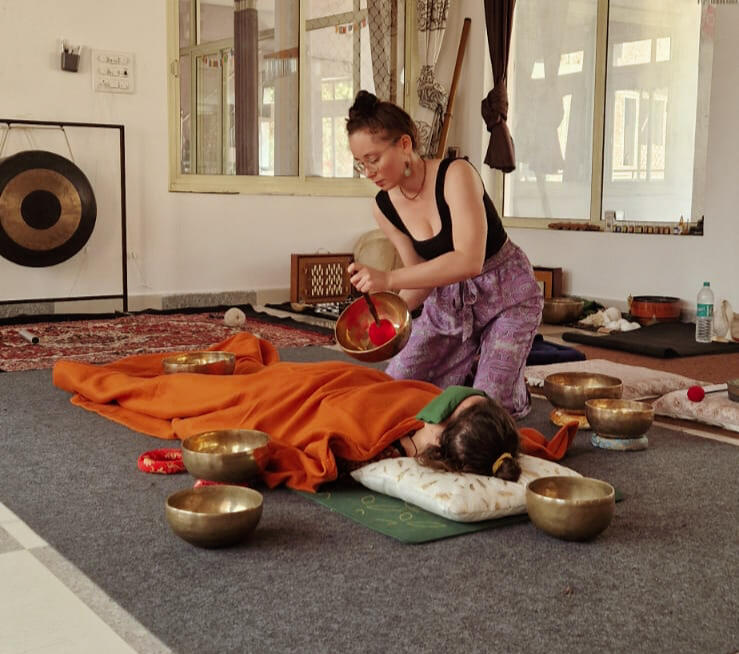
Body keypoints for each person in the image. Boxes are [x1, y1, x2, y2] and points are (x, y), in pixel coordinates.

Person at [53, 333, 575, 492]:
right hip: (342, 383)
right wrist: (457, 410)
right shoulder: (462, 418)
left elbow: (314, 453)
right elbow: (465, 397)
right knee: (261, 377)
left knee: (202, 398)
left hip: (311, 403)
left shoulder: (383, 447)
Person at [346, 90, 543, 419]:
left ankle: (512, 390)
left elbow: (469, 261)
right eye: (360, 163)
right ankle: (470, 369)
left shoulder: (456, 175)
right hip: (447, 305)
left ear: (404, 144)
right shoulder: (383, 207)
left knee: (481, 412)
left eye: (374, 159)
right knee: (392, 392)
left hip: (507, 295)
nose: (368, 171)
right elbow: (421, 277)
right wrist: (386, 319)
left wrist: (388, 278)